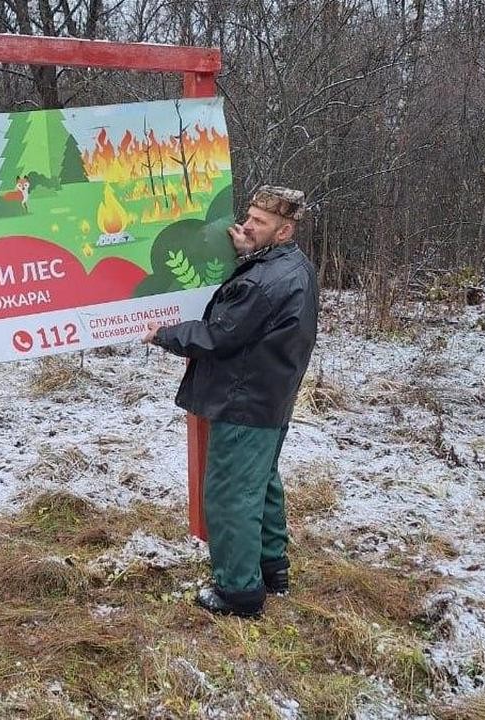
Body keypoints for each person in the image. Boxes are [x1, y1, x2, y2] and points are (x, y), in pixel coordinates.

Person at [142, 185, 318, 618]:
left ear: (284, 230)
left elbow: (218, 334)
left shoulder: (265, 280)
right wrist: (247, 252)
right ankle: (271, 568)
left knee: (228, 494)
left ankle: (238, 592)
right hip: (270, 394)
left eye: (260, 222)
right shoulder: (292, 266)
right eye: (250, 216)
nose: (247, 225)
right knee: (261, 484)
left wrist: (162, 334)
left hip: (245, 397)